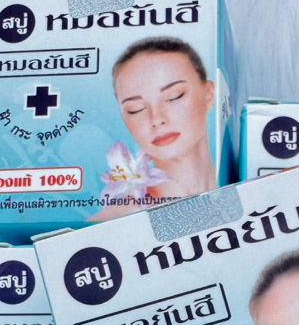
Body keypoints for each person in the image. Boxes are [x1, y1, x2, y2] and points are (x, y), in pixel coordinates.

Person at [91, 37, 215, 222]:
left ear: (209, 94)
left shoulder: (242, 186)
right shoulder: (115, 219)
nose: (156, 119)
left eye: (174, 96)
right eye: (136, 109)